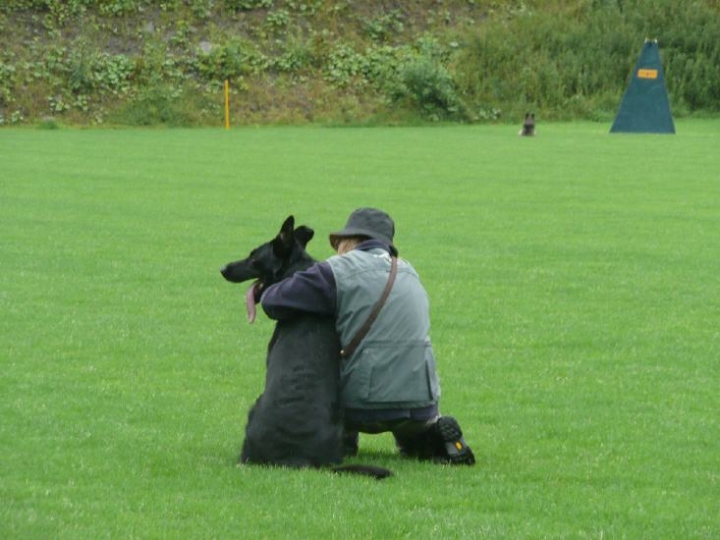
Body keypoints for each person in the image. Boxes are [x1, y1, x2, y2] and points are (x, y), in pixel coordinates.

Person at [260, 208, 475, 465]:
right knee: (412, 428)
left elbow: (273, 301)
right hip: (420, 402)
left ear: (349, 241)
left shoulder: (337, 270)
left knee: (320, 328)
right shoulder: (409, 271)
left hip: (362, 404)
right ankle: (428, 438)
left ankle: (340, 437)